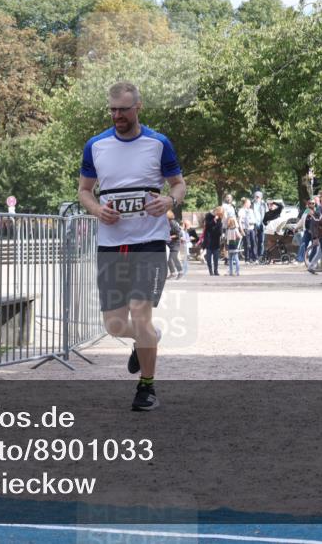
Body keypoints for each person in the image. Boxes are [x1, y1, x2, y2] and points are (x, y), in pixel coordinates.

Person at [78, 81, 186, 412]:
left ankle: (147, 387)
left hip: (149, 242)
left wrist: (169, 200)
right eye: (112, 110)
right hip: (110, 244)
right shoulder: (95, 146)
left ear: (137, 108)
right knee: (114, 325)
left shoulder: (158, 143)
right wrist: (97, 209)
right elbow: (84, 190)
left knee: (140, 314)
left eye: (123, 110)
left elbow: (179, 184)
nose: (117, 116)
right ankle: (147, 339)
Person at [203, 207, 224, 276]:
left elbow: (219, 228)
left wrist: (221, 232)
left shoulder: (219, 218)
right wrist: (214, 220)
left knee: (216, 257)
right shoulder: (208, 216)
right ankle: (210, 270)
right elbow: (207, 226)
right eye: (219, 213)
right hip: (209, 239)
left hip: (216, 239)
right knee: (208, 258)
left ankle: (216, 271)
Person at [252, 191, 269, 261]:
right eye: (256, 196)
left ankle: (260, 256)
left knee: (261, 241)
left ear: (261, 197)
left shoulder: (264, 204)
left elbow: (267, 214)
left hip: (261, 224)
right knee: (255, 241)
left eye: (258, 196)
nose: (257, 198)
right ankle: (255, 256)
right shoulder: (252, 204)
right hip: (254, 224)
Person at [166, 211, 183, 279]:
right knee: (170, 259)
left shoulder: (173, 223)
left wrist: (170, 237)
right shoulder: (168, 223)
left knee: (173, 258)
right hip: (170, 243)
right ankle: (173, 273)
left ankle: (180, 271)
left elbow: (179, 234)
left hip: (175, 243)